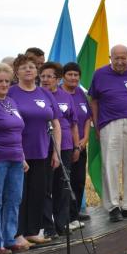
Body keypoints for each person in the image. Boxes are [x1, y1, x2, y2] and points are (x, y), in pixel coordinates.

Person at [88, 45, 127, 222]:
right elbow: (94, 101)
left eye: (124, 58)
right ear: (110, 58)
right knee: (110, 165)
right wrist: (97, 125)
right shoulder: (99, 74)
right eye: (117, 58)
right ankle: (113, 206)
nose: (121, 61)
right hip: (109, 123)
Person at [7, 53, 60, 247]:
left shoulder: (44, 93)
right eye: (23, 67)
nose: (28, 70)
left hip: (42, 151)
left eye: (31, 66)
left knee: (38, 192)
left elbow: (56, 121)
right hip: (18, 152)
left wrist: (57, 152)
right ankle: (17, 233)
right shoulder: (12, 93)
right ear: (16, 72)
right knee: (18, 194)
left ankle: (32, 230)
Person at [0, 62, 28, 254]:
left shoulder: (11, 102)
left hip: (16, 158)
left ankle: (10, 237)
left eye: (7, 81)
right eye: (0, 81)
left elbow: (18, 131)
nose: (4, 84)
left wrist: (23, 157)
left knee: (14, 199)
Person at [39, 61, 80, 234]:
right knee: (46, 187)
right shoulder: (38, 95)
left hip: (65, 147)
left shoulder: (66, 96)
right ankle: (48, 226)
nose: (45, 80)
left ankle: (62, 224)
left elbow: (73, 124)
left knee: (63, 186)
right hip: (45, 147)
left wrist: (76, 147)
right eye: (42, 76)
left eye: (49, 76)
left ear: (58, 79)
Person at [61, 62, 91, 223]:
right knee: (65, 183)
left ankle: (74, 214)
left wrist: (84, 139)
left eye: (76, 75)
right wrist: (74, 144)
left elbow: (87, 118)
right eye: (69, 74)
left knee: (79, 181)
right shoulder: (58, 94)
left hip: (81, 145)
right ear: (63, 77)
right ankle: (64, 216)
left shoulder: (80, 93)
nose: (73, 78)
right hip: (66, 146)